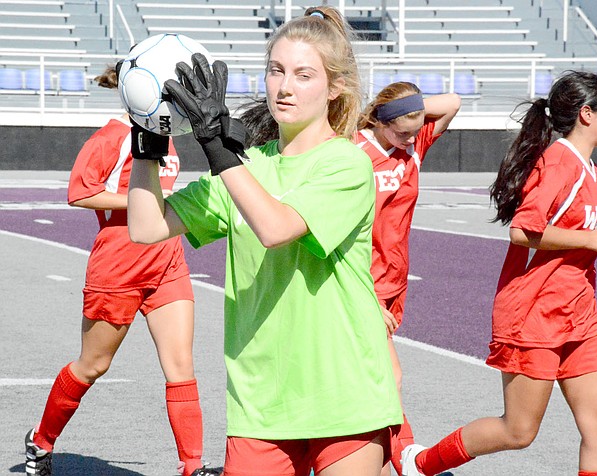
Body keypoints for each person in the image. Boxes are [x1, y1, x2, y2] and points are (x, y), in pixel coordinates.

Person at [127, 5, 403, 476]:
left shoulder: (347, 163)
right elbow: (146, 227)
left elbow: (275, 228)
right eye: (276, 70)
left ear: (335, 87)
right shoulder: (246, 166)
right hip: (260, 402)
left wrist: (219, 151)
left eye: (304, 74)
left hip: (344, 392)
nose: (286, 86)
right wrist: (148, 141)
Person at [401, 70, 597, 476]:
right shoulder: (559, 161)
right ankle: (420, 464)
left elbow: (580, 236)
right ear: (586, 113)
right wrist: (589, 240)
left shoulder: (594, 172)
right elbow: (523, 230)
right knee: (519, 430)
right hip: (535, 316)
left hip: (581, 316)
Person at [24, 65, 218, 476]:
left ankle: (193, 466)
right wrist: (141, 199)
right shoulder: (110, 136)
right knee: (93, 366)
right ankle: (41, 443)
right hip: (118, 267)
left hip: (167, 262)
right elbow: (81, 192)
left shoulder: (165, 134)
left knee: (181, 365)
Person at [355, 82, 460, 476]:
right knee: (389, 376)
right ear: (379, 122)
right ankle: (407, 455)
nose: (410, 138)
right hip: (362, 284)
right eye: (401, 130)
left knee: (372, 377)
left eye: (416, 129)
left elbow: (452, 102)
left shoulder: (412, 146)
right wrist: (366, 296)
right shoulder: (355, 152)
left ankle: (379, 460)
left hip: (394, 283)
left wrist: (411, 110)